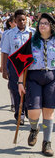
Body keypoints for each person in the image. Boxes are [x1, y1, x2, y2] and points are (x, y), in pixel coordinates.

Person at [18, 13, 55, 157]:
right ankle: (34, 129)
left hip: (52, 79)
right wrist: (20, 82)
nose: (42, 25)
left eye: (45, 23)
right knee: (33, 112)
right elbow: (22, 63)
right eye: (40, 23)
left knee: (48, 112)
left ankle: (47, 142)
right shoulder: (31, 41)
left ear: (51, 26)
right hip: (33, 78)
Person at [1, 9, 34, 125]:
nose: (22, 22)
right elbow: (5, 52)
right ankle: (19, 115)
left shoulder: (33, 33)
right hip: (14, 66)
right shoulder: (9, 34)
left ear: (27, 20)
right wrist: (4, 69)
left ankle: (27, 111)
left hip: (29, 67)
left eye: (24, 20)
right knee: (16, 91)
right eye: (19, 20)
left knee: (29, 90)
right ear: (15, 21)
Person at [0, 16, 16, 112]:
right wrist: (3, 65)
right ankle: (13, 103)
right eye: (15, 22)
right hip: (10, 61)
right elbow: (3, 50)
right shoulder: (6, 33)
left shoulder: (29, 32)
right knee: (12, 83)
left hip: (22, 62)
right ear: (10, 23)